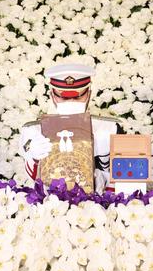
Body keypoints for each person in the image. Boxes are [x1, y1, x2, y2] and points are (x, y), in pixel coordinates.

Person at [18, 63, 123, 193]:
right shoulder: (33, 131)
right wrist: (33, 159)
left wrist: (101, 180)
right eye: (63, 97)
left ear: (89, 95)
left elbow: (126, 180)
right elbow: (33, 180)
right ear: (52, 96)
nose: (71, 102)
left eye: (78, 96)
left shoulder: (109, 129)